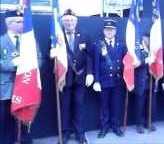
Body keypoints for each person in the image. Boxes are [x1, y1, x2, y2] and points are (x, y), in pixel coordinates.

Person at [51, 9, 94, 144]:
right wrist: (52, 52)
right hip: (64, 78)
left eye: (72, 20)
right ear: (62, 22)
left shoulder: (85, 34)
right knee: (65, 107)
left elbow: (89, 55)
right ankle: (65, 133)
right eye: (66, 21)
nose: (69, 23)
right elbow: (52, 54)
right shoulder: (56, 35)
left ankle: (80, 133)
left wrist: (90, 73)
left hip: (80, 77)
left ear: (76, 22)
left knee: (79, 106)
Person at [0, 9, 42, 144]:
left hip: (25, 84)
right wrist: (12, 64)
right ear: (9, 24)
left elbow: (39, 59)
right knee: (5, 119)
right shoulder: (1, 41)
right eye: (18, 22)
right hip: (7, 88)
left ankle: (24, 140)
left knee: (24, 118)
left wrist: (30, 64)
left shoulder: (29, 41)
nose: (22, 24)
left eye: (23, 21)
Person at [93, 19, 127, 137]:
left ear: (115, 31)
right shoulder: (98, 45)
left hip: (117, 81)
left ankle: (116, 126)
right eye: (107, 30)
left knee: (116, 105)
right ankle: (104, 127)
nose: (109, 32)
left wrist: (127, 78)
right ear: (103, 31)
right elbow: (96, 64)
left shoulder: (121, 45)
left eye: (111, 30)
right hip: (104, 81)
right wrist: (96, 81)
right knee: (104, 106)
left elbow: (125, 63)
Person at [133, 33, 157, 133]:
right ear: (143, 38)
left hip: (151, 80)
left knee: (151, 103)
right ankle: (139, 124)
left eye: (149, 38)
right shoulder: (137, 48)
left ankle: (149, 122)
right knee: (140, 104)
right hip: (141, 81)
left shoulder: (153, 49)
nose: (148, 40)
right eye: (146, 38)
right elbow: (135, 63)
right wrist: (147, 60)